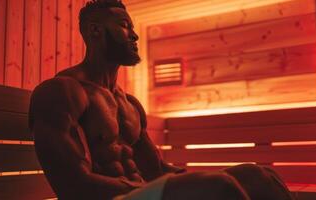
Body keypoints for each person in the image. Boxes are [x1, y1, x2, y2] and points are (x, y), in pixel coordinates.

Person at [28, 0, 295, 199]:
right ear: (95, 31)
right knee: (218, 188)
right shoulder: (62, 92)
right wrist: (197, 184)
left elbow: (156, 169)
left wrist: (211, 174)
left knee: (260, 176)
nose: (134, 35)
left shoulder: (129, 104)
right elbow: (73, 184)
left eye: (133, 27)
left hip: (142, 192)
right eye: (124, 26)